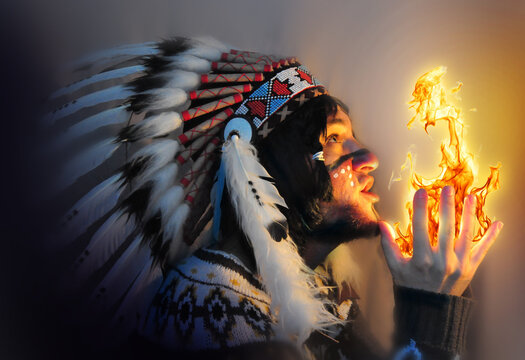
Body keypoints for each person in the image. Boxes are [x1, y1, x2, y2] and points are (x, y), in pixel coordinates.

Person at [50, 37, 502, 360]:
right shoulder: (211, 306)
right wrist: (430, 309)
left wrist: (436, 293)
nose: (371, 158)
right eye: (333, 140)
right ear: (263, 168)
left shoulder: (322, 292)